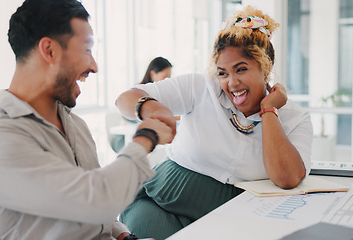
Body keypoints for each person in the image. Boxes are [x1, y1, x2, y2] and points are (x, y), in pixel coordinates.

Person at [0, 0, 174, 239]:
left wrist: (123, 235)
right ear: (49, 50)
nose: (94, 66)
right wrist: (146, 136)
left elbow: (98, 215)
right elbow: (97, 200)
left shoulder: (75, 126)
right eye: (87, 49)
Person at [115, 5, 313, 240]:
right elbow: (124, 99)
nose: (232, 83)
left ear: (266, 66)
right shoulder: (200, 88)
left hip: (232, 216)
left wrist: (268, 110)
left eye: (241, 69)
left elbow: (287, 178)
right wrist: (152, 107)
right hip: (158, 198)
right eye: (222, 73)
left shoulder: (296, 117)